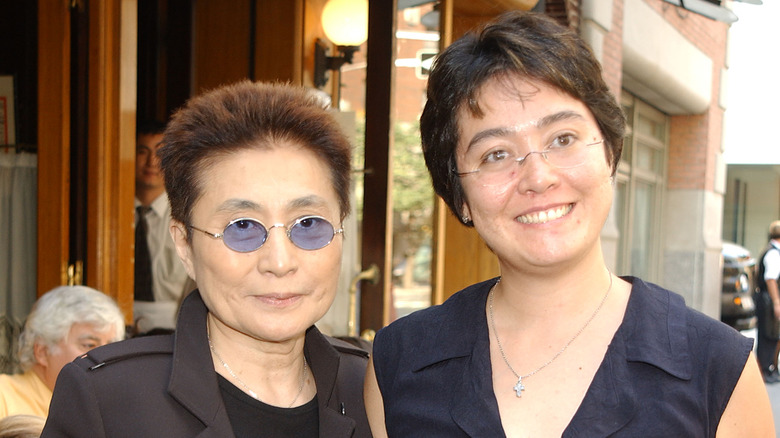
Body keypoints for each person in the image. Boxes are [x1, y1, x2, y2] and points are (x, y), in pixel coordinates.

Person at [363, 11, 774, 437]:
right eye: (496, 154)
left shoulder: (716, 367)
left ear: (609, 154)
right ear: (460, 196)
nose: (538, 178)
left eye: (562, 139)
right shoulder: (400, 361)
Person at [41, 81, 372, 437]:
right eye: (242, 226)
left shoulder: (376, 387)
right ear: (185, 245)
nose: (279, 261)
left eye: (308, 224)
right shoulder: (109, 400)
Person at [0, 286, 125, 419]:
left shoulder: (109, 408)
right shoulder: (4, 398)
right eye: (89, 345)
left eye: (110, 346)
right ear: (42, 351)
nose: (103, 357)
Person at [134, 120, 196, 334]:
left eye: (160, 153)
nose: (151, 162)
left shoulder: (186, 215)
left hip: (176, 326)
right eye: (142, 152)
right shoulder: (111, 217)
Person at [755, 220, 780, 383]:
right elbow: (770, 279)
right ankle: (765, 370)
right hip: (768, 300)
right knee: (768, 335)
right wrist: (777, 302)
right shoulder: (773, 253)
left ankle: (771, 368)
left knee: (773, 334)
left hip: (768, 299)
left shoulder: (772, 251)